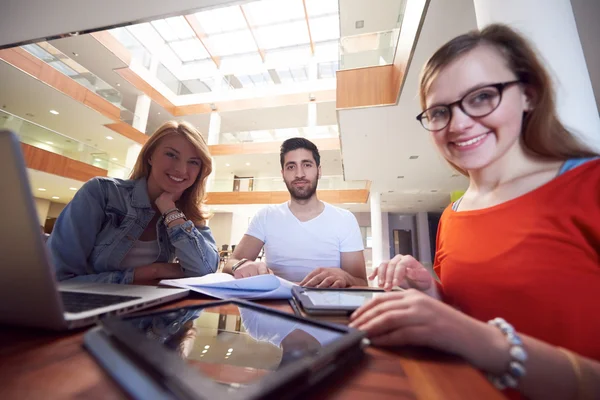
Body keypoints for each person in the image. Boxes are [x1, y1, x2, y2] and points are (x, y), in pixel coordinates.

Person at [349, 24, 600, 400]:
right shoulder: (453, 214)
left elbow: (475, 335)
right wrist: (432, 295)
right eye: (439, 111)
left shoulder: (590, 186)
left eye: (482, 97)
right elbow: (471, 315)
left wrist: (490, 345)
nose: (460, 123)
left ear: (529, 95)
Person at [48, 121, 219, 285]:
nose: (181, 169)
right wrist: (151, 272)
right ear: (150, 156)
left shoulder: (189, 214)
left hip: (152, 309)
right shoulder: (101, 193)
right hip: (86, 308)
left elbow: (206, 270)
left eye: (193, 162)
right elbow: (58, 278)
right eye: (171, 155)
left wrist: (171, 212)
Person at [223, 138, 367, 287]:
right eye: (291, 167)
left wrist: (345, 277)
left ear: (319, 171)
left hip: (327, 306)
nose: (299, 174)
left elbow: (362, 283)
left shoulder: (344, 219)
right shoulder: (265, 216)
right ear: (283, 173)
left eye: (307, 165)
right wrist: (240, 265)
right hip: (275, 304)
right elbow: (229, 265)